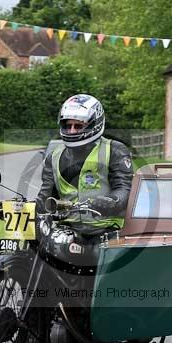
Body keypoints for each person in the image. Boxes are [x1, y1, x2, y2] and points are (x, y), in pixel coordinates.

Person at [36, 94, 133, 238]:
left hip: (108, 230)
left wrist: (111, 201)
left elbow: (124, 188)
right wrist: (17, 208)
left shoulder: (114, 150)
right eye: (68, 126)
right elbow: (45, 197)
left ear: (95, 124)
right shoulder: (54, 156)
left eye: (78, 126)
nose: (72, 131)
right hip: (67, 231)